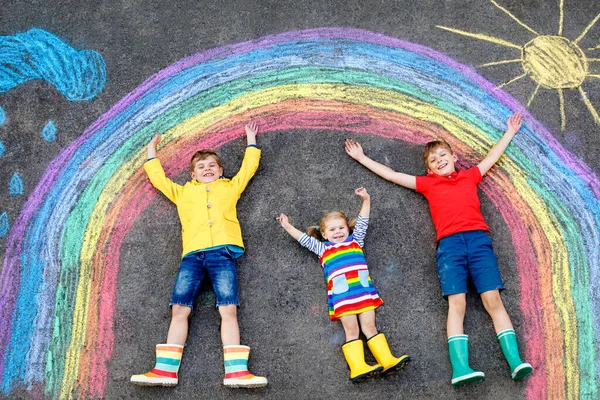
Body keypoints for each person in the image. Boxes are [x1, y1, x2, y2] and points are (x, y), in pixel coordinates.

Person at [344, 113, 533, 385]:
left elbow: (491, 157)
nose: (439, 160)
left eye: (443, 155)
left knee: (493, 300)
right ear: (429, 171)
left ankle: (515, 362)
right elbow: (394, 175)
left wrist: (510, 132)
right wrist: (362, 158)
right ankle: (460, 369)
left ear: (454, 158)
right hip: (450, 247)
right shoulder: (428, 184)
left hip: (479, 242)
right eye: (433, 160)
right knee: (457, 303)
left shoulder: (470, 176)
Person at [131, 122, 267, 388]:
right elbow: (159, 180)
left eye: (212, 166)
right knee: (179, 308)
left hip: (222, 254)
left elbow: (248, 170)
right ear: (193, 174)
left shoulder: (229, 187)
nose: (207, 169)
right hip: (192, 256)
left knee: (228, 308)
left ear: (220, 171)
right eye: (201, 167)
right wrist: (151, 151)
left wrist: (251, 141)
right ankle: (164, 371)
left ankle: (237, 372)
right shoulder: (183, 193)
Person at [276, 187, 410, 383]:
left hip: (364, 294)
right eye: (332, 229)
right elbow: (303, 239)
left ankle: (387, 360)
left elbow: (363, 220)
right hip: (343, 297)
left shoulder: (356, 242)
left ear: (348, 229)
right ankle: (358, 367)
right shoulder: (322, 249)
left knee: (370, 327)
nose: (338, 232)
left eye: (341, 228)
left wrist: (366, 199)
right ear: (323, 234)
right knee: (352, 330)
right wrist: (287, 226)